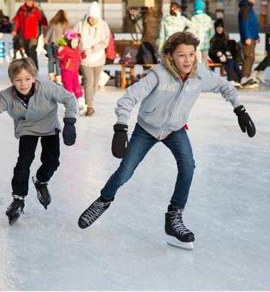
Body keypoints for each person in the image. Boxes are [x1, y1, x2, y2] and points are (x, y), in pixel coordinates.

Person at [77, 32, 256, 250]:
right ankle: (103, 200)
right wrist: (121, 127)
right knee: (125, 171)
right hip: (146, 129)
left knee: (188, 167)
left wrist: (240, 109)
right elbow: (129, 97)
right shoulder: (158, 74)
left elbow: (225, 86)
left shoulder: (199, 75)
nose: (188, 60)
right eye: (182, 55)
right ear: (170, 57)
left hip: (175, 129)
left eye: (191, 54)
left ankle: (174, 216)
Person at [0, 58, 77, 225]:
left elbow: (69, 98)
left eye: (27, 79)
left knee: (52, 161)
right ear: (12, 81)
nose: (23, 84)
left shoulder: (47, 87)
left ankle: (41, 180)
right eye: (17, 80)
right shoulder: (6, 96)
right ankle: (18, 199)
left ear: (34, 77)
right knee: (23, 162)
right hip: (26, 128)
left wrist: (69, 122)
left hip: (49, 126)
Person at [74, 1, 110, 116]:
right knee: (88, 81)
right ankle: (89, 105)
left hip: (98, 58)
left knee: (95, 83)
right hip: (84, 58)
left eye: (94, 18)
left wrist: (93, 48)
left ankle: (89, 101)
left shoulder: (103, 25)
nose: (92, 20)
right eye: (90, 18)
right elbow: (73, 37)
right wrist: (77, 47)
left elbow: (105, 41)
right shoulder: (80, 25)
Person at [209, 18, 255, 88]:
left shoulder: (223, 37)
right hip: (215, 56)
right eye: (218, 27)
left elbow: (226, 47)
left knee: (232, 61)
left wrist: (228, 53)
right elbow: (212, 49)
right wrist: (219, 54)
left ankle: (242, 78)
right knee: (230, 61)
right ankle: (230, 80)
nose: (219, 29)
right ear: (215, 28)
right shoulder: (214, 38)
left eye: (221, 27)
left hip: (224, 56)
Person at [12, 0, 48, 69]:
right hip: (24, 34)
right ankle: (31, 65)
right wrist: (14, 30)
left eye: (31, 1)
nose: (29, 2)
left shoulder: (37, 10)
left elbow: (44, 22)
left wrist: (45, 33)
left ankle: (34, 67)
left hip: (34, 35)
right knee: (27, 51)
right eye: (28, 1)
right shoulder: (21, 10)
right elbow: (16, 21)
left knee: (32, 50)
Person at [57, 30, 87, 115]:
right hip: (66, 72)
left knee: (77, 87)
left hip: (74, 71)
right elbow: (60, 56)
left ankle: (81, 103)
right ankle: (68, 105)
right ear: (69, 41)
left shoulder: (76, 49)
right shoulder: (65, 49)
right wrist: (60, 51)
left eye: (77, 42)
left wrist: (83, 55)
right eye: (74, 42)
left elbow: (79, 56)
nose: (75, 44)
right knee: (68, 88)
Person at [238, 0, 259, 83]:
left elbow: (252, 23)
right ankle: (244, 78)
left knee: (251, 57)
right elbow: (244, 23)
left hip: (252, 37)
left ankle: (247, 76)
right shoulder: (245, 8)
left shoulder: (249, 7)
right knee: (248, 57)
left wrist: (256, 36)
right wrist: (246, 37)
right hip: (248, 37)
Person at [44, 9, 69, 84]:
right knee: (58, 60)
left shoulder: (52, 22)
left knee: (51, 60)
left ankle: (51, 76)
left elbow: (48, 33)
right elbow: (65, 34)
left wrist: (45, 43)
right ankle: (58, 77)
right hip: (58, 44)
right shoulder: (64, 23)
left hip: (49, 42)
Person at [191, 0, 214, 65]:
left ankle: (199, 74)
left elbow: (192, 32)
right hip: (206, 43)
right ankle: (206, 75)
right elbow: (212, 32)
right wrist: (208, 38)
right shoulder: (208, 18)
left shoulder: (193, 18)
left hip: (197, 43)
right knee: (205, 60)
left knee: (198, 61)